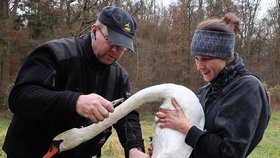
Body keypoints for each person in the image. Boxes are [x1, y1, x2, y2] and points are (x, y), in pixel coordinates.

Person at [3, 6, 149, 158]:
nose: (115, 50)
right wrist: (75, 101)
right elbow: (20, 97)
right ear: (94, 30)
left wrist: (135, 149)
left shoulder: (119, 76)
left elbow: (126, 113)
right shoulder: (55, 54)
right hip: (31, 152)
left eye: (122, 47)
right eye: (111, 41)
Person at [154, 13, 271, 157]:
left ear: (226, 56)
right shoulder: (206, 91)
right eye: (196, 59)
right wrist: (164, 149)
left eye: (206, 59)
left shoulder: (248, 88)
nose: (199, 66)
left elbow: (229, 152)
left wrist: (185, 127)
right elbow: (195, 145)